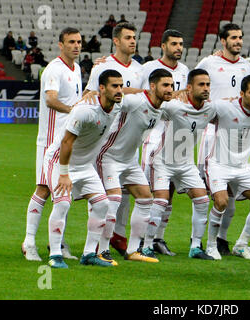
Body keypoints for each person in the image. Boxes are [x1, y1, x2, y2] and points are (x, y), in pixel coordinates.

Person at [44, 69, 124, 268]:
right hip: (60, 161)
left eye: (121, 85)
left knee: (102, 204)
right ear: (102, 88)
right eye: (115, 86)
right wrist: (63, 174)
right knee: (62, 204)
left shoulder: (117, 107)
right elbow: (66, 142)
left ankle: (89, 254)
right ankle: (55, 255)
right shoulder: (85, 110)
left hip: (85, 165)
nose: (119, 90)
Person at [93, 68, 174, 263]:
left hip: (129, 161)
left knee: (145, 198)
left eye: (171, 85)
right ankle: (101, 250)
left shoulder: (162, 107)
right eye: (165, 85)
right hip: (109, 156)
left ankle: (133, 250)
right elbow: (111, 100)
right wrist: (92, 97)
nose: (170, 89)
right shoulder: (136, 101)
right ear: (152, 86)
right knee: (113, 200)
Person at [83, 21, 145, 258]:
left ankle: (119, 237)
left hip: (130, 141)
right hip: (107, 141)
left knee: (126, 195)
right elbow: (90, 95)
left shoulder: (140, 69)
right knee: (107, 195)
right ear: (116, 40)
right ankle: (97, 244)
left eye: (134, 37)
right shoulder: (103, 67)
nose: (133, 41)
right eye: (128, 37)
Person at [143, 69, 217, 261]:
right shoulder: (174, 106)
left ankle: (195, 247)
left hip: (185, 164)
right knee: (161, 200)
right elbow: (151, 105)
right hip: (163, 161)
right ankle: (147, 244)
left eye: (208, 84)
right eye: (201, 84)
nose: (206, 88)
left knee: (202, 200)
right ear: (189, 88)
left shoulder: (210, 109)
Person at [21, 27, 82, 261]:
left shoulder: (76, 68)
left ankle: (57, 242)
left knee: (64, 191)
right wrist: (73, 110)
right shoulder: (53, 69)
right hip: (49, 141)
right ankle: (29, 242)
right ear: (61, 45)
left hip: (67, 139)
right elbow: (51, 99)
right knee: (44, 189)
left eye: (78, 42)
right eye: (71, 42)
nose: (76, 46)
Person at [196, 23, 250, 256]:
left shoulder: (246, 65)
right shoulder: (208, 64)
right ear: (223, 40)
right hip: (212, 132)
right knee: (203, 191)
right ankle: (197, 239)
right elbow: (194, 87)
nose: (238, 41)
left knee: (229, 192)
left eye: (240, 38)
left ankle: (221, 239)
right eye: (234, 38)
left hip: (237, 136)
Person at [204, 75, 250, 260]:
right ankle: (210, 246)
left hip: (242, 168)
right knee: (222, 201)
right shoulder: (224, 107)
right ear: (241, 94)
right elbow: (201, 113)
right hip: (219, 164)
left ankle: (241, 245)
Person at [139, 29, 190, 257]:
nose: (178, 48)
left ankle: (158, 237)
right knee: (149, 192)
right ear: (163, 46)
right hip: (153, 134)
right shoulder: (148, 68)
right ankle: (141, 239)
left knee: (167, 191)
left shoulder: (185, 70)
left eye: (181, 44)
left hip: (176, 137)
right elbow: (139, 93)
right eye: (174, 44)